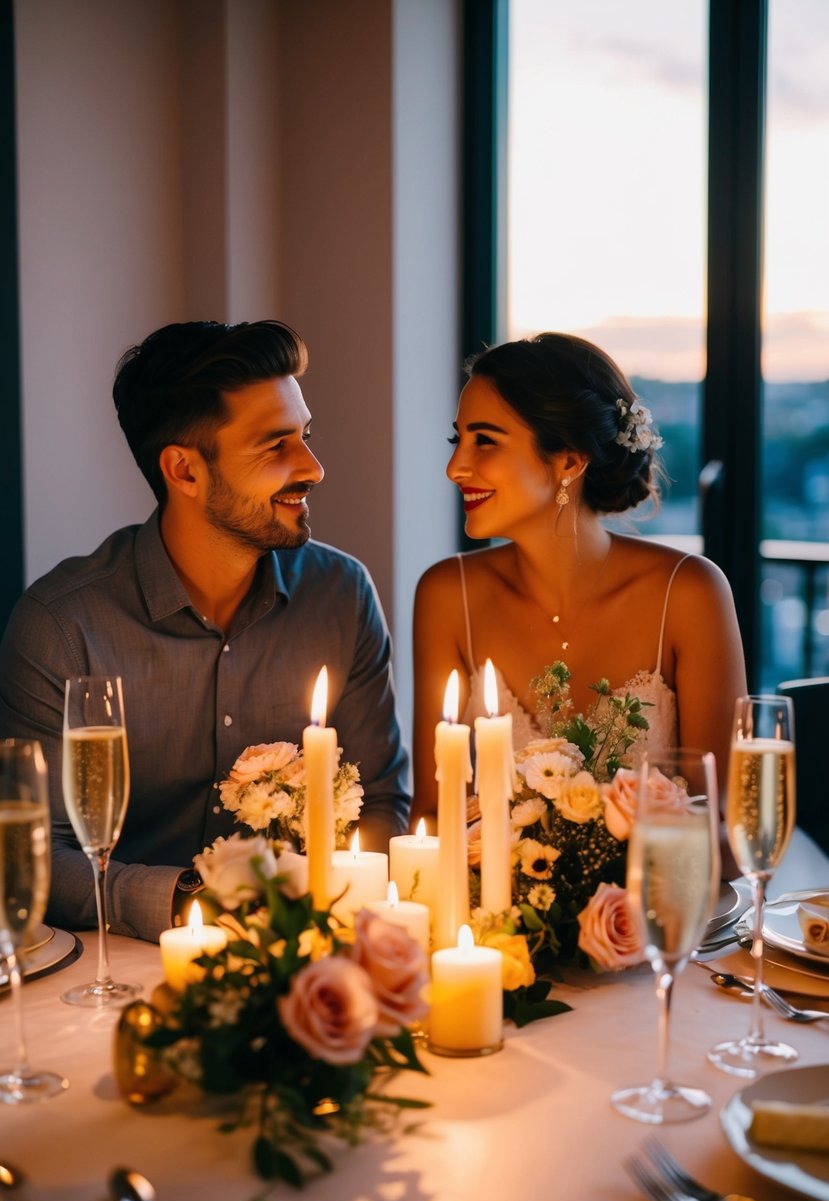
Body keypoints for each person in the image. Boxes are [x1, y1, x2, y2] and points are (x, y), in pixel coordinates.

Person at [0, 320, 409, 942]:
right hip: (119, 966)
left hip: (305, 950)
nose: (313, 467)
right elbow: (35, 859)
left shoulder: (341, 595)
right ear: (184, 471)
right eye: (275, 446)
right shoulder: (62, 627)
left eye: (305, 436)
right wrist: (194, 898)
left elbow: (381, 804)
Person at [412, 331, 746, 828]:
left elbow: (725, 829)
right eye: (457, 439)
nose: (455, 467)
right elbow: (433, 817)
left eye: (485, 440)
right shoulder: (445, 595)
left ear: (569, 459)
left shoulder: (690, 592)